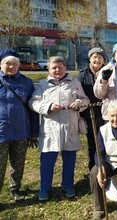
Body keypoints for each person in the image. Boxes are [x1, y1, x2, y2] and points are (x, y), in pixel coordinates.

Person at [28, 56, 90, 201]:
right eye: (54, 68)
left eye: (60, 67)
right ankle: (44, 188)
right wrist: (48, 106)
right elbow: (33, 102)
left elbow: (86, 100)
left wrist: (79, 103)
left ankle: (68, 184)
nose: (57, 70)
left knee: (69, 160)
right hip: (50, 129)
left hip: (70, 127)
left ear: (64, 67)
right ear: (49, 69)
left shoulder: (74, 82)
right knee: (47, 161)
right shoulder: (43, 84)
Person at [0, 49, 39, 202]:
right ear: (1, 64)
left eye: (14, 64)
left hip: (21, 131)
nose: (11, 67)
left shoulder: (26, 82)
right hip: (1, 132)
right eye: (7, 63)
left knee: (18, 164)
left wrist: (34, 131)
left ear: (18, 65)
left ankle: (15, 188)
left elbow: (33, 108)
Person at [77, 47, 107, 172]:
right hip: (90, 113)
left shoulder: (108, 72)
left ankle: (105, 166)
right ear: (90, 59)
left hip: (106, 113)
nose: (97, 60)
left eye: (100, 57)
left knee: (106, 141)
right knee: (93, 142)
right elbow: (78, 93)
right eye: (95, 57)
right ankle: (94, 168)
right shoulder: (83, 74)